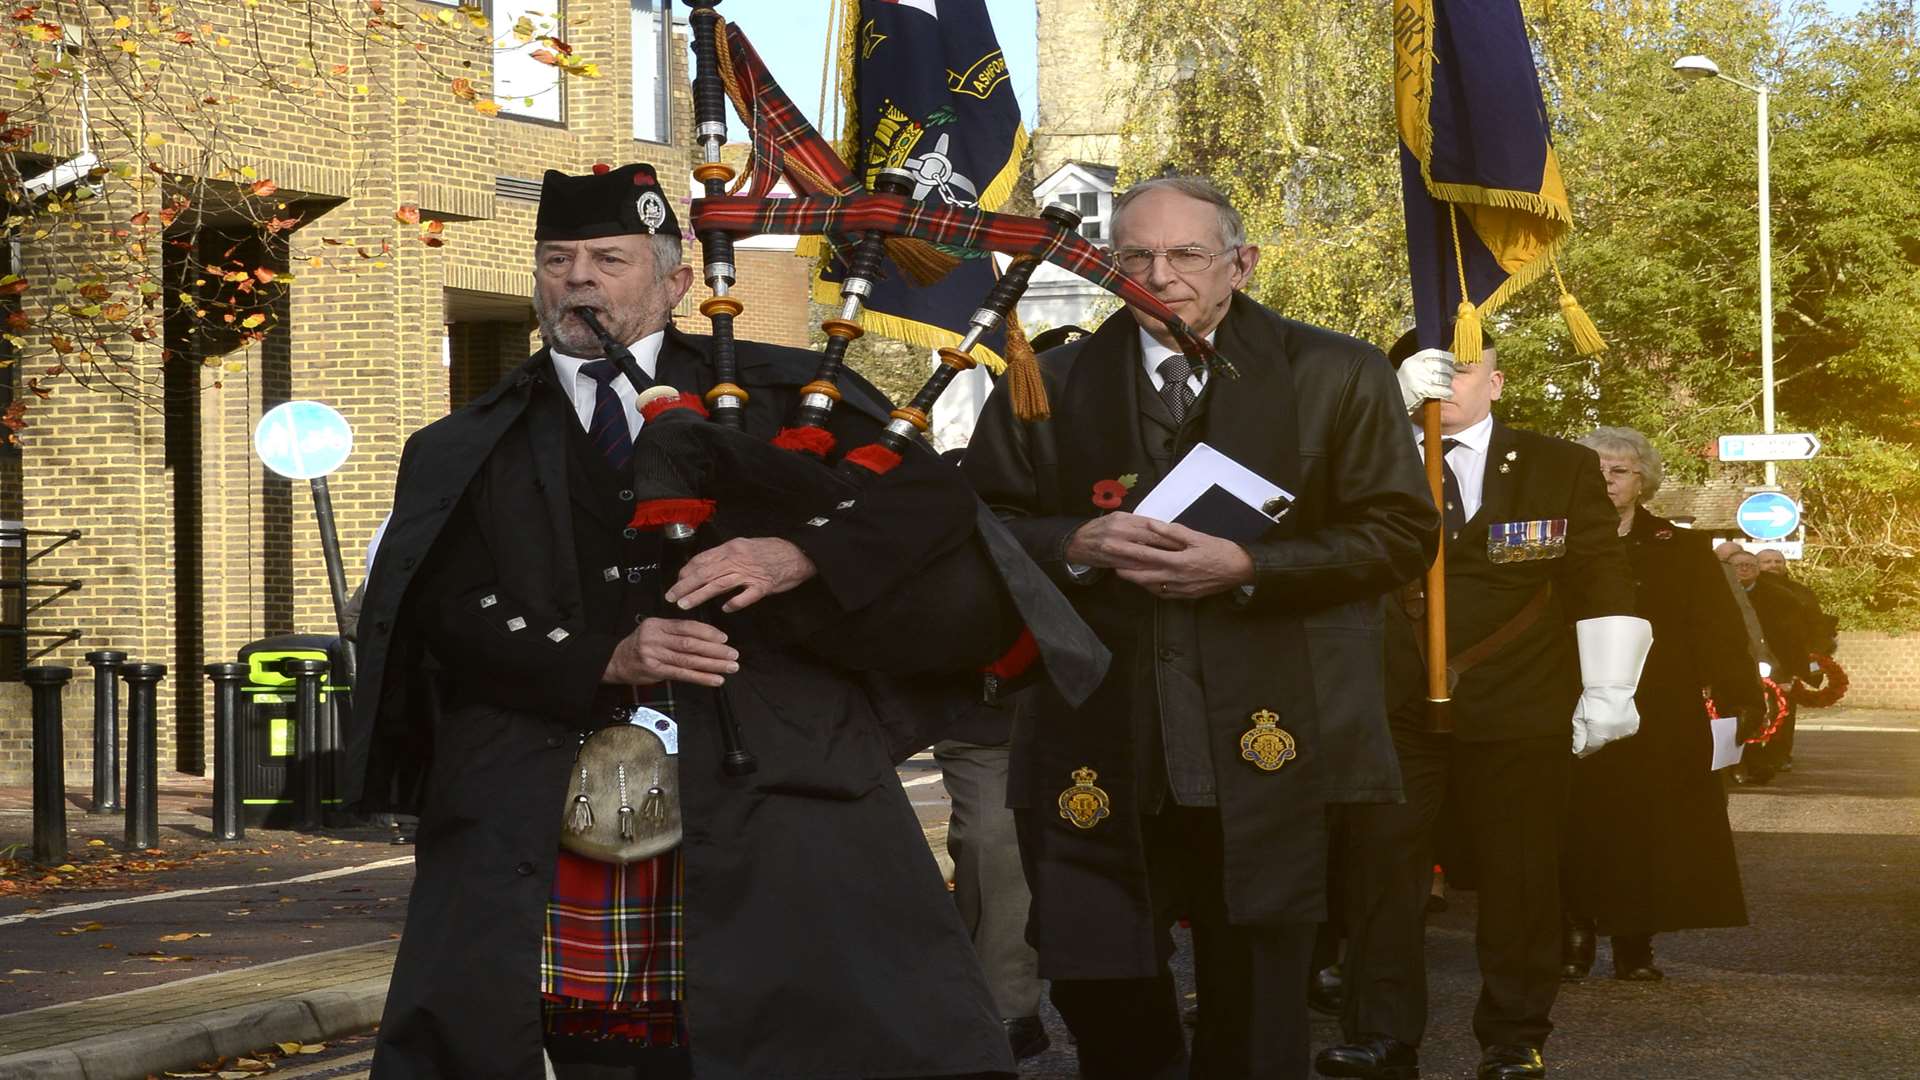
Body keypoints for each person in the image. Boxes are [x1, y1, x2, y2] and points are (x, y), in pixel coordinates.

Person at [341, 162, 1104, 1079]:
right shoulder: (465, 443)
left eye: (608, 258)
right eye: (557, 258)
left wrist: (801, 553)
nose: (577, 278)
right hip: (561, 786)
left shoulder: (781, 395)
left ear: (676, 281)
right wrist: (603, 657)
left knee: (807, 1038)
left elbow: (933, 507)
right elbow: (445, 611)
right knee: (601, 1045)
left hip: (771, 782)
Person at [962, 174, 1438, 1080]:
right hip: (1099, 722)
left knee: (1260, 998)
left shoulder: (1335, 371)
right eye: (1136, 256)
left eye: (1186, 255)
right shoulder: (1045, 382)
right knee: (1099, 980)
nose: (1161, 276)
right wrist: (1075, 539)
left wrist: (1252, 566)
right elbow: (976, 528)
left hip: (1277, 726)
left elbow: (1401, 533)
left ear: (1239, 264)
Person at [1317, 330, 1647, 1080]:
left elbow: (1598, 573)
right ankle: (1380, 1031)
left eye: (1465, 369)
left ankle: (1514, 1034)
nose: (1448, 382)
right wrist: (1383, 412)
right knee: (1380, 873)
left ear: (1497, 384)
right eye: (1428, 372)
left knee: (1522, 876)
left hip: (1520, 702)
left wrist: (1608, 686)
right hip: (1390, 701)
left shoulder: (1557, 465)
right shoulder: (1364, 459)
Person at [1558, 427, 1758, 982]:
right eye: (1595, 469)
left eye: (1618, 471)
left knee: (1649, 825)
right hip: (1572, 698)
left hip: (1660, 707)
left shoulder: (1683, 547)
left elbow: (1718, 629)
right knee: (1575, 818)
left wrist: (1741, 692)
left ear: (1643, 481)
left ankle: (1635, 942)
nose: (1605, 480)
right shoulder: (1555, 539)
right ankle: (1573, 932)